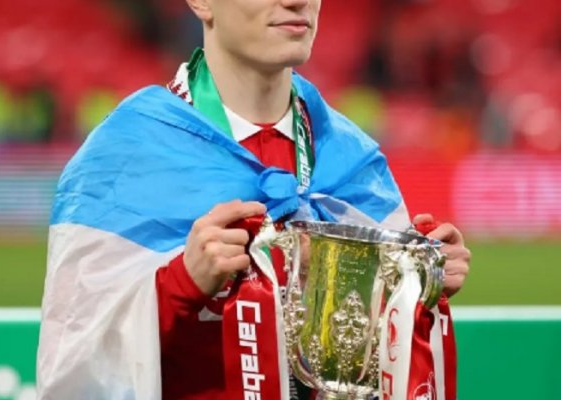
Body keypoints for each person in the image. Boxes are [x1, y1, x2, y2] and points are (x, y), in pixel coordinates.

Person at [37, 0, 471, 399]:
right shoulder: (125, 154)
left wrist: (416, 284)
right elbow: (73, 363)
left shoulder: (351, 159)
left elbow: (369, 356)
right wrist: (179, 285)